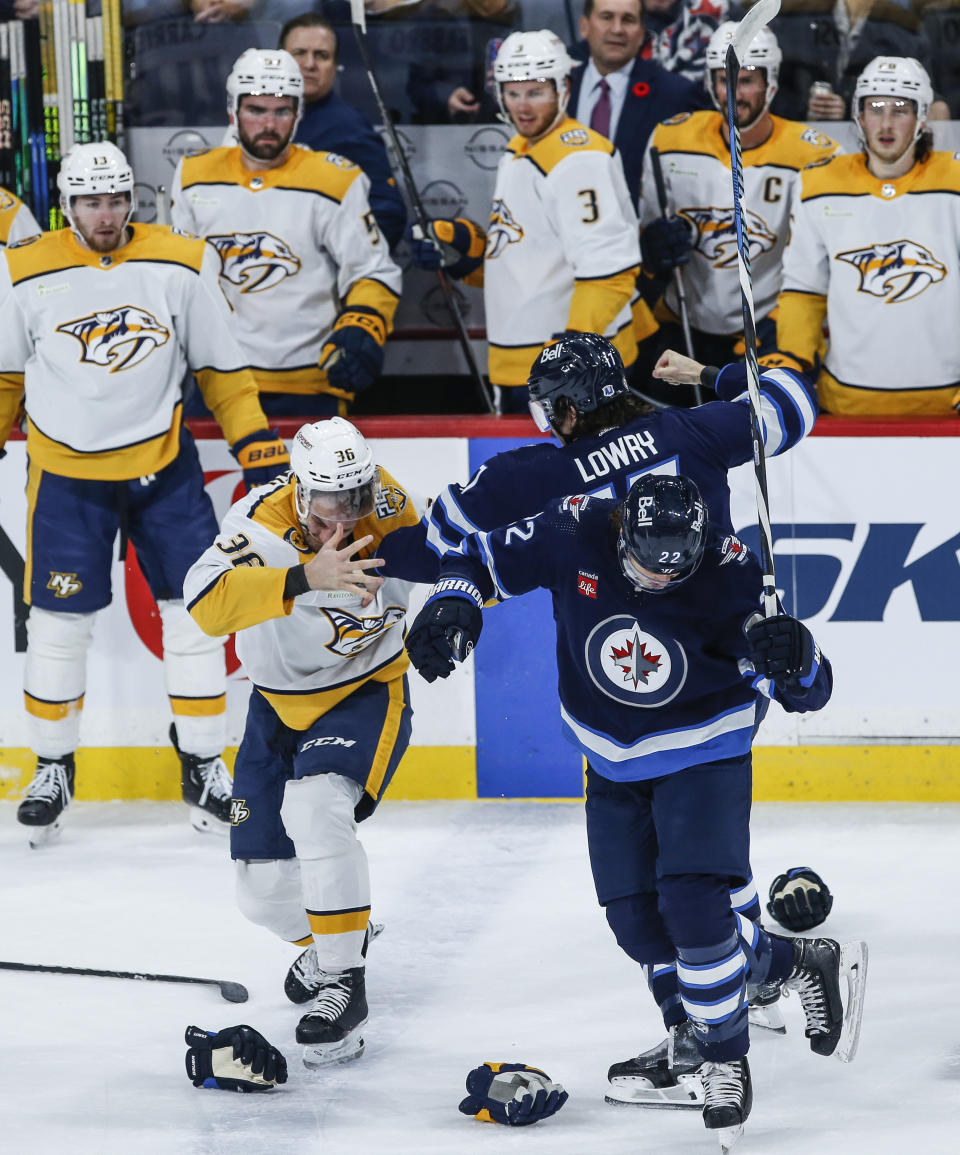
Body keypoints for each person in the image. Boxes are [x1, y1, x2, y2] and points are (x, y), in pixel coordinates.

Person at [404, 471, 867, 1146]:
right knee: (640, 929)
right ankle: (797, 961)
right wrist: (454, 604)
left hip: (704, 753)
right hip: (612, 761)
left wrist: (800, 659)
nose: (655, 579)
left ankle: (724, 1060)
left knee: (695, 911)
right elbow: (475, 558)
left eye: (672, 569)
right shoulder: (572, 526)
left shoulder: (730, 573)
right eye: (644, 563)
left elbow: (808, 689)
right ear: (622, 528)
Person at [0, 142, 290, 845]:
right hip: (66, 477)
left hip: (163, 470)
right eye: (89, 201)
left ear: (134, 197)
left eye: (115, 199)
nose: (105, 214)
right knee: (60, 627)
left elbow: (221, 367)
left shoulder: (182, 261)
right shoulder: (21, 268)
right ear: (66, 205)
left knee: (196, 615)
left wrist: (255, 443)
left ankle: (202, 763)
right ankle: (52, 765)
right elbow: (6, 374)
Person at [184, 416, 435, 1067]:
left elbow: (440, 571)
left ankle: (343, 984)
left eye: (355, 501)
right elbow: (202, 601)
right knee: (260, 890)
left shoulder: (386, 503)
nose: (343, 524)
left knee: (316, 805)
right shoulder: (261, 524)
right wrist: (303, 576)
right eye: (328, 510)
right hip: (275, 708)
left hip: (366, 689)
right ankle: (339, 936)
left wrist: (445, 610)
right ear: (299, 491)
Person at [405, 29, 649, 413]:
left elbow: (609, 274)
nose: (522, 106)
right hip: (524, 362)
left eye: (535, 92)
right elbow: (524, 254)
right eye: (512, 92)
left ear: (563, 88)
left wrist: (573, 357)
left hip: (569, 372)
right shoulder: (520, 148)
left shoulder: (577, 159)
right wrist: (461, 245)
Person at [170, 48, 402, 418]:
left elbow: (372, 270)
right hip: (218, 381)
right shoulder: (193, 176)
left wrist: (363, 322)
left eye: (281, 111)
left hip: (311, 382)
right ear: (233, 111)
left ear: (298, 114)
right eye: (256, 110)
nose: (269, 124)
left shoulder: (335, 180)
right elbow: (177, 278)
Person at [636, 20, 838, 395]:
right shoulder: (670, 138)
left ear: (771, 83)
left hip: (766, 327)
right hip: (681, 323)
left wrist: (782, 323)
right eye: (723, 79)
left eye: (746, 80)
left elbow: (820, 261)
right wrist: (653, 250)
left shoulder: (813, 154)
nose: (733, 93)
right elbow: (642, 243)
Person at [776, 55, 960, 416]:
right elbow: (803, 289)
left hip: (945, 402)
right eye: (875, 108)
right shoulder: (818, 182)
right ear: (859, 116)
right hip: (847, 400)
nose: (886, 123)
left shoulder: (954, 180)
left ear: (922, 117)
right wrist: (793, 364)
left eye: (900, 109)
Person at [278, 12, 407, 248]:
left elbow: (387, 216)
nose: (309, 64)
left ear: (335, 66)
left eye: (322, 56)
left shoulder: (349, 128)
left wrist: (331, 265)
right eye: (299, 53)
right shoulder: (251, 120)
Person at [568, 0, 708, 209]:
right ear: (584, 27)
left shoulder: (675, 95)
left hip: (642, 236)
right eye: (607, 17)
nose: (617, 29)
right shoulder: (559, 90)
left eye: (628, 20)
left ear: (642, 33)